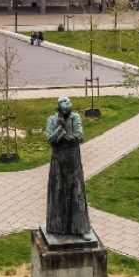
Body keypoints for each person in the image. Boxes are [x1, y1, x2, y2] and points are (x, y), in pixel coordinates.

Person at [45, 97, 92, 237]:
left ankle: (80, 228)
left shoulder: (75, 118)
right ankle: (58, 228)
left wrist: (61, 136)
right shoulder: (52, 120)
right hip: (58, 161)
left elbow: (79, 136)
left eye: (69, 109)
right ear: (58, 109)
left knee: (76, 194)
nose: (68, 112)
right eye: (65, 110)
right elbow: (50, 140)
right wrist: (61, 128)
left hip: (73, 159)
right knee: (58, 192)